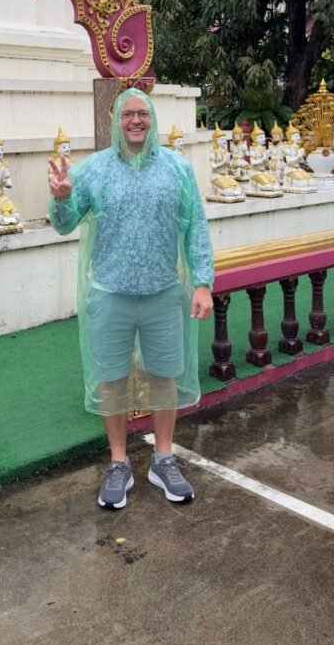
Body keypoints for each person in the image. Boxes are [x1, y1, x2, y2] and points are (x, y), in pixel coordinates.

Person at [48, 88, 214, 509]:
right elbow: (64, 224)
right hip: (110, 293)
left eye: (142, 113)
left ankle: (163, 458)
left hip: (163, 292)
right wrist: (62, 199)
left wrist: (202, 283)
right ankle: (119, 462)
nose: (135, 120)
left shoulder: (176, 168)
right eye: (127, 114)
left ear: (152, 119)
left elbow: (196, 227)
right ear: (116, 121)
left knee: (164, 375)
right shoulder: (94, 170)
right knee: (111, 379)